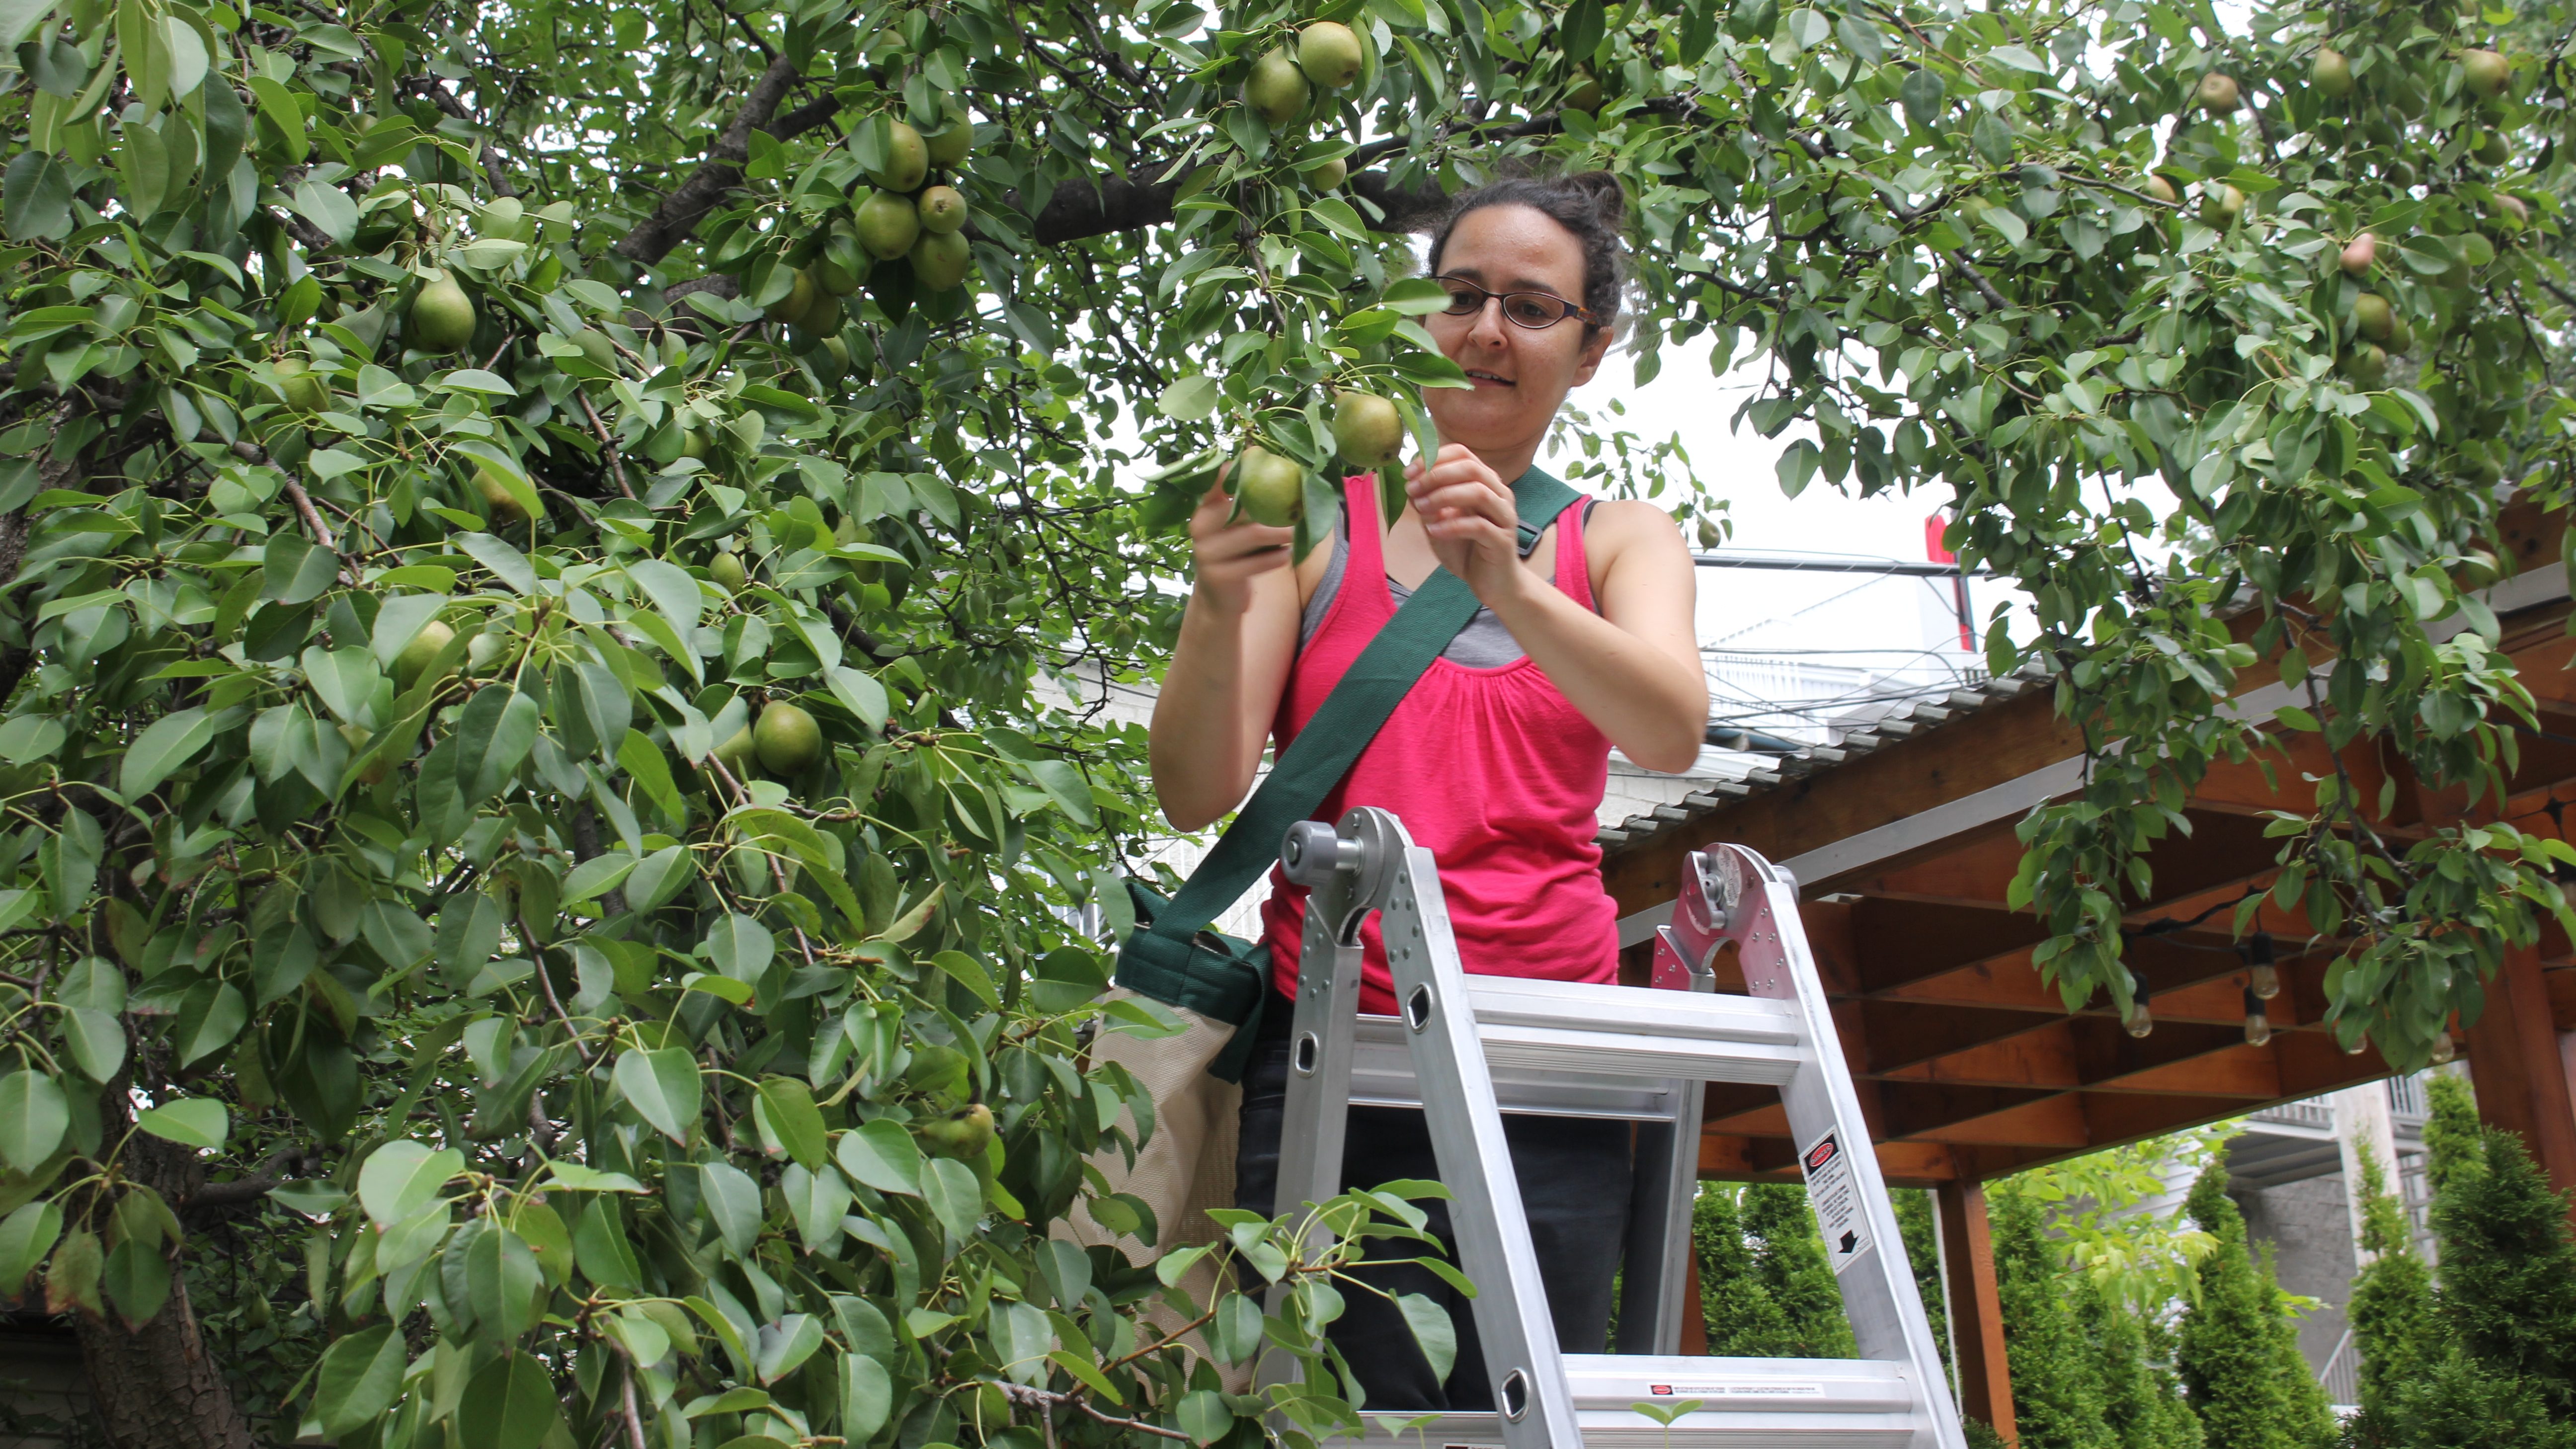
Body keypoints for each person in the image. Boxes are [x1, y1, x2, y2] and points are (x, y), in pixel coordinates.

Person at [1147, 171, 1708, 1412]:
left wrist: (1505, 584)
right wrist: (1217, 597)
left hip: (1546, 1062)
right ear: (1409, 314)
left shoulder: (1617, 539)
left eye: (1533, 306)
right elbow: (1195, 790)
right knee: (1325, 1413)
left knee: (1517, 1415)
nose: (1488, 331)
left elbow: (1670, 728)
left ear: (1592, 349)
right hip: (1337, 1053)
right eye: (1458, 295)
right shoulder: (1321, 527)